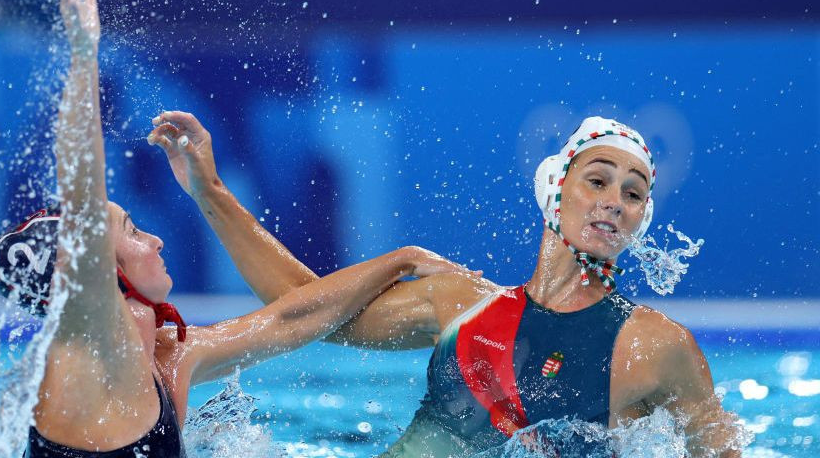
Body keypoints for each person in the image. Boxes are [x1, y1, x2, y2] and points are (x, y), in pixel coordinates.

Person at [0, 0, 472, 458]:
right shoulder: (86, 359)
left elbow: (291, 319)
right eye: (131, 234)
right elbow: (81, 191)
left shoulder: (168, 357)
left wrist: (400, 258)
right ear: (96, 275)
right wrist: (84, 59)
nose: (154, 238)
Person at [162, 113, 744, 457]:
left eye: (634, 194)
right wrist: (210, 191)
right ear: (556, 193)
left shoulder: (657, 348)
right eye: (598, 181)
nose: (615, 203)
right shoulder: (464, 305)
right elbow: (301, 311)